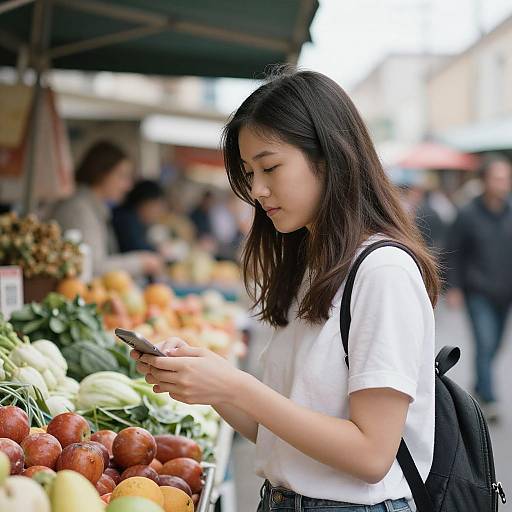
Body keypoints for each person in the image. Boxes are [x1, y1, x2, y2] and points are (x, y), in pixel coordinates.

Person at [131, 69, 439, 511]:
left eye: (270, 166)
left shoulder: (383, 271)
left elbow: (372, 455)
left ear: (330, 155)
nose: (257, 189)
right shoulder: (313, 261)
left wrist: (237, 387)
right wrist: (209, 381)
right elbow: (279, 432)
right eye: (249, 172)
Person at [445, 153, 512, 422]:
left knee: (495, 345)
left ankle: (480, 384)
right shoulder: (467, 214)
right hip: (478, 291)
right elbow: (453, 252)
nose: (503, 182)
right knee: (484, 342)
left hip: (505, 292)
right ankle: (490, 398)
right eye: (498, 177)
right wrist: (454, 287)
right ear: (484, 180)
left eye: (507, 177)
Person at [49, 141, 163, 277]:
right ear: (101, 173)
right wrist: (140, 262)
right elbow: (92, 267)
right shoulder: (79, 210)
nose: (128, 186)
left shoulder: (92, 208)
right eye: (122, 176)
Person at [112, 179, 166, 253]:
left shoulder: (133, 218)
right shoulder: (125, 219)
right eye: (156, 206)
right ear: (144, 203)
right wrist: (157, 250)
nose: (158, 212)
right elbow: (138, 249)